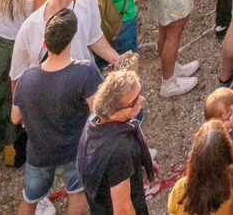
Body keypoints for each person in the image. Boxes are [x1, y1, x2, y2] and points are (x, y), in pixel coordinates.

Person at [14, 11, 103, 215]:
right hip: (74, 149)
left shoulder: (28, 77)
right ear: (71, 39)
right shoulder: (85, 72)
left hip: (39, 151)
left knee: (29, 199)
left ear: (45, 42)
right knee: (77, 194)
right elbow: (98, 111)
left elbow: (15, 117)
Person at [73, 70, 154, 215]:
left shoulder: (94, 121)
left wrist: (142, 159)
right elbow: (122, 210)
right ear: (113, 112)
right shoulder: (118, 149)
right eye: (134, 101)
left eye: (140, 92)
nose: (142, 99)